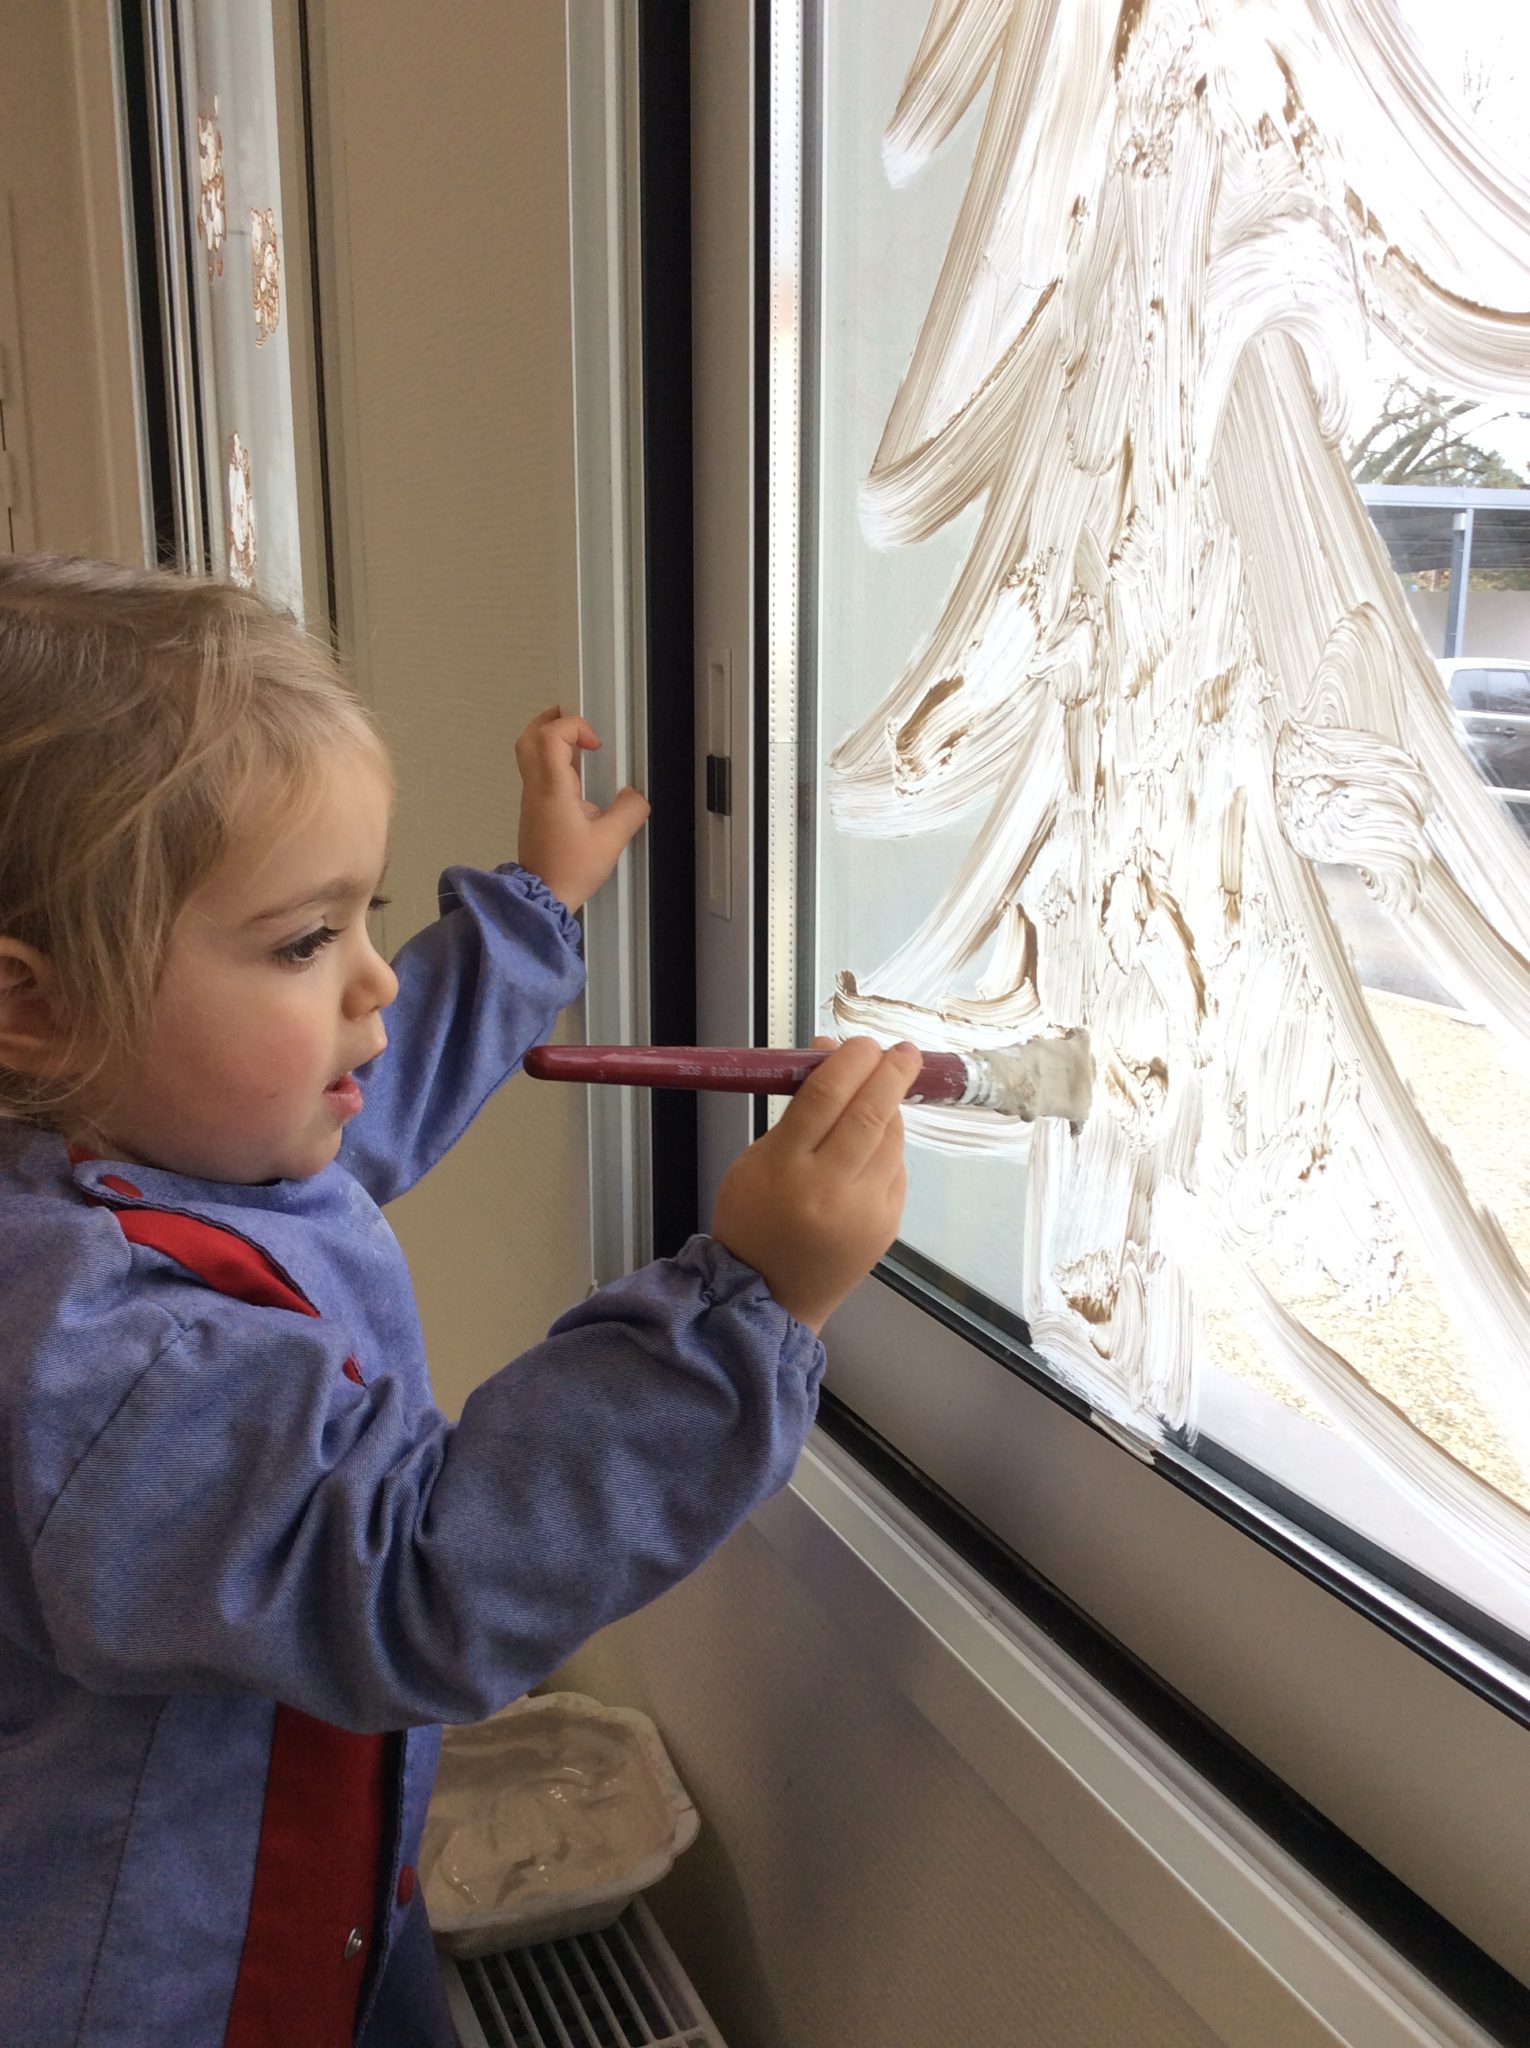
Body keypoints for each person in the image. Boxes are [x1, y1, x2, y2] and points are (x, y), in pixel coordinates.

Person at [0, 552, 918, 2048]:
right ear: (33, 1006)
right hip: (177, 1993)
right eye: (305, 940)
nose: (370, 982)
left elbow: (379, 1074)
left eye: (365, 914)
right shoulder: (98, 1355)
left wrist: (532, 911)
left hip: (332, 1901)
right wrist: (745, 1306)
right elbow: (407, 1576)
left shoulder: (169, 1132)